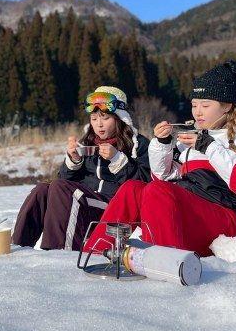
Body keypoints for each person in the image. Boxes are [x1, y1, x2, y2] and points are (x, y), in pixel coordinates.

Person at [83, 61, 236, 257]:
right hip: (191, 216)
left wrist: (208, 147)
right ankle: (95, 253)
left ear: (227, 105)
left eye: (205, 105)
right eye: (194, 105)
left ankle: (165, 261)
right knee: (132, 188)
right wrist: (163, 144)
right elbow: (161, 178)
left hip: (229, 221)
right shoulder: (191, 141)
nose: (197, 111)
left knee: (157, 191)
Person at [12, 86, 151, 251]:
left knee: (60, 187)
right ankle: (17, 249)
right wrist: (73, 161)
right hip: (83, 202)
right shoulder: (87, 142)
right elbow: (62, 183)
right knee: (43, 189)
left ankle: (59, 253)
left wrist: (117, 159)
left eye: (105, 118)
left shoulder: (138, 144)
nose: (98, 124)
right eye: (93, 118)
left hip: (112, 207)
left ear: (119, 117)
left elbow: (144, 184)